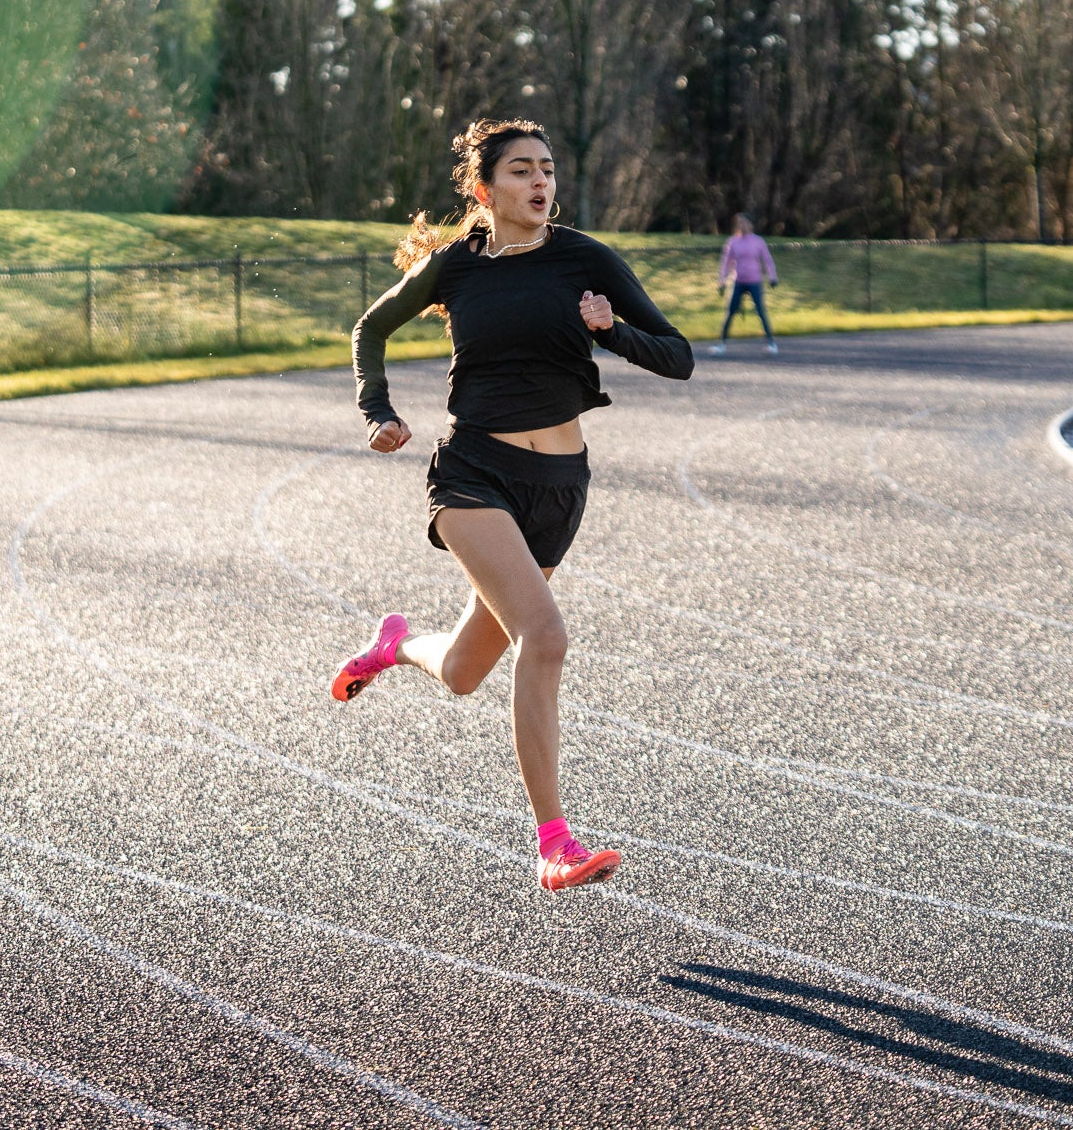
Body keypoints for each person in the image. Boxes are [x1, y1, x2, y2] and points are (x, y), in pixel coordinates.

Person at [333, 119, 693, 892]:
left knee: (464, 671)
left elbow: (680, 356)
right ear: (484, 189)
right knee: (547, 636)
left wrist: (613, 331)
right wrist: (378, 411)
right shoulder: (454, 268)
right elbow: (371, 328)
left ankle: (394, 644)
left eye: (548, 170)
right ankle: (555, 843)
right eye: (523, 170)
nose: (541, 183)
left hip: (560, 488)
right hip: (474, 473)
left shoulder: (586, 260)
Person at [712, 212, 778, 355]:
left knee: (761, 311)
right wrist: (722, 281)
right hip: (739, 282)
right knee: (730, 312)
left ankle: (772, 344)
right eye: (739, 223)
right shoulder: (732, 242)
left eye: (744, 222)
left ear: (750, 224)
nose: (741, 225)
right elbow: (726, 263)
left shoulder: (758, 241)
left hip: (755, 281)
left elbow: (767, 260)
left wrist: (773, 277)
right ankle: (721, 344)